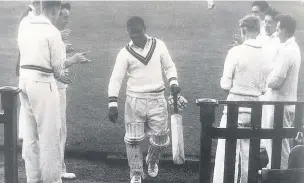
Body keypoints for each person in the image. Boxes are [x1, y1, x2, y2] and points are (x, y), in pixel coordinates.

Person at [108, 16, 183, 183]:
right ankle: (135, 173)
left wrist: (173, 82)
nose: (135, 36)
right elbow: (116, 78)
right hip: (134, 100)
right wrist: (112, 103)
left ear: (144, 28)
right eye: (131, 33)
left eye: (138, 32)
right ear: (128, 32)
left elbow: (169, 66)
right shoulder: (124, 53)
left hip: (157, 97)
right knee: (133, 139)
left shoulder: (159, 45)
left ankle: (152, 158)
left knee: (161, 140)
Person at [213, 15, 271, 183]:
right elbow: (264, 88)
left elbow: (225, 84)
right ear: (258, 31)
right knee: (249, 153)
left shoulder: (235, 52)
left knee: (226, 152)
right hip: (255, 108)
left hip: (234, 107)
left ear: (243, 30)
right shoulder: (266, 55)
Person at [18, 1, 69, 182]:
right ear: (54, 11)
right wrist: (61, 71)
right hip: (43, 83)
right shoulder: (52, 31)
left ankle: (33, 179)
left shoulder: (24, 24)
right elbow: (57, 67)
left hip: (23, 82)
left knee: (30, 135)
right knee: (50, 136)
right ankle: (52, 180)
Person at [55, 2, 91, 180]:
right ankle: (54, 171)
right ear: (55, 15)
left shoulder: (56, 35)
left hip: (60, 87)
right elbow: (51, 66)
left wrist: (65, 48)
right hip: (52, 88)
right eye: (64, 17)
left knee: (61, 129)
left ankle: (59, 168)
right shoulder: (51, 34)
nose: (67, 21)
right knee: (56, 130)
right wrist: (74, 59)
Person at [265, 14, 301, 169]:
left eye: (278, 29)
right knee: (276, 142)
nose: (276, 32)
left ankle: (282, 176)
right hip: (282, 104)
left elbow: (275, 81)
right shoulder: (291, 48)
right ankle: (277, 172)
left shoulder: (287, 51)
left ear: (285, 31)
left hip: (279, 105)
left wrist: (264, 76)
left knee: (278, 144)